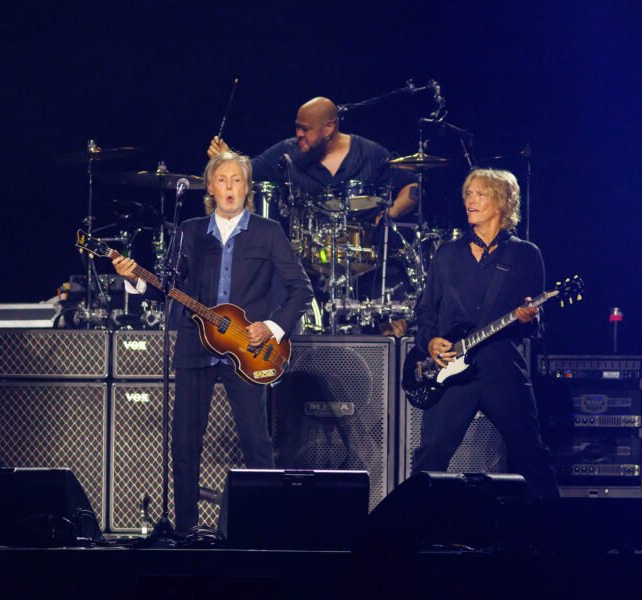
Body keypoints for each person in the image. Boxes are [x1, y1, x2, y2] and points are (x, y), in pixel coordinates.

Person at [113, 150, 313, 534]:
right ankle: (186, 530)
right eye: (222, 180)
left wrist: (271, 327)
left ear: (248, 187)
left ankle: (263, 527)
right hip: (194, 346)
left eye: (237, 180)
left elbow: (300, 290)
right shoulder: (188, 231)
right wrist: (134, 278)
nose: (230, 188)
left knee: (257, 444)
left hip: (248, 350)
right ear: (210, 187)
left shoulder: (268, 232)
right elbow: (167, 289)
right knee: (185, 444)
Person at [412, 168, 558, 497]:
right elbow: (424, 312)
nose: (470, 200)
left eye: (480, 193)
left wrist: (527, 318)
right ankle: (412, 535)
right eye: (468, 194)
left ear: (503, 203)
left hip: (501, 369)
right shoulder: (447, 254)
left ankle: (552, 534)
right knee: (430, 457)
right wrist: (431, 341)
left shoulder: (525, 254)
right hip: (452, 371)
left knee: (531, 454)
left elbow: (536, 324)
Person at [207, 96, 418, 219]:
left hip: (366, 266)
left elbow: (413, 187)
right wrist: (226, 159)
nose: (298, 134)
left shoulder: (370, 153)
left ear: (329, 128)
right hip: (305, 270)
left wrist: (392, 213)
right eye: (297, 127)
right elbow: (246, 172)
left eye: (305, 129)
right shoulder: (288, 152)